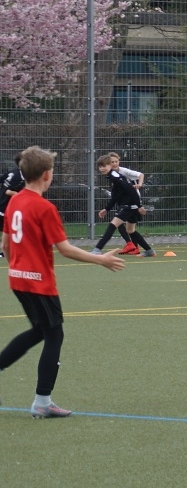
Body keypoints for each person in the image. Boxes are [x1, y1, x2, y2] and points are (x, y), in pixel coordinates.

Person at [0, 146, 125, 418]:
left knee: (39, 331)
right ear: (47, 175)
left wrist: (17, 268)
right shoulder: (44, 208)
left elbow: (5, 244)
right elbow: (65, 249)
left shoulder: (14, 202)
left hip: (18, 280)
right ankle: (42, 402)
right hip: (39, 283)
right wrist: (101, 260)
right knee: (54, 335)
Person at [92, 155, 156, 257]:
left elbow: (132, 190)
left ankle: (97, 249)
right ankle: (149, 251)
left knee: (112, 225)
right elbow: (115, 197)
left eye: (104, 166)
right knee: (130, 230)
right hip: (131, 205)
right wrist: (107, 209)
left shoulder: (116, 177)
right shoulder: (112, 177)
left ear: (110, 166)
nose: (102, 168)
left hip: (129, 206)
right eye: (100, 166)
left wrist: (139, 206)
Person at [108, 152, 145, 254]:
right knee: (129, 228)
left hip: (132, 201)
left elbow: (141, 175)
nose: (114, 164)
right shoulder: (111, 174)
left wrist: (139, 184)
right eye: (112, 162)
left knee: (122, 224)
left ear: (119, 161)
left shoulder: (123, 171)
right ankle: (134, 247)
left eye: (116, 161)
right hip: (125, 201)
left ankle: (133, 245)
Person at [0, 152, 25, 259]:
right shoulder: (18, 177)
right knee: (9, 230)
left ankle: (8, 250)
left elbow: (2, 181)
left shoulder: (13, 172)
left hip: (6, 206)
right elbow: (8, 191)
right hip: (4, 207)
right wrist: (23, 195)